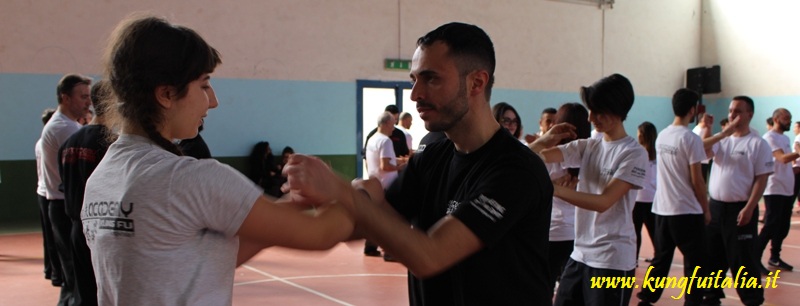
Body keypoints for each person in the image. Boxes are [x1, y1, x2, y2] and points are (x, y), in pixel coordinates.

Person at [81, 15, 353, 305]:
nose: (213, 100)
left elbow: (191, 260)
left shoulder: (101, 178)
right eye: (204, 85)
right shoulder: (189, 178)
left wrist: (286, 211)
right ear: (166, 94)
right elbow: (320, 233)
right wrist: (359, 196)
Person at [283, 22, 553, 305]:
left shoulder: (517, 170)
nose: (415, 94)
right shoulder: (431, 158)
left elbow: (429, 255)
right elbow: (371, 223)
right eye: (414, 79)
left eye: (431, 79)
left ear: (476, 82)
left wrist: (345, 193)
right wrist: (325, 201)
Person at [531, 73, 648, 306]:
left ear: (617, 109)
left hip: (612, 260)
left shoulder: (633, 153)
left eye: (598, 111)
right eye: (590, 110)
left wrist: (550, 188)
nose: (591, 117)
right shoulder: (590, 145)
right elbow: (532, 158)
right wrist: (546, 139)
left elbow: (603, 202)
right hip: (580, 254)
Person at [635, 88, 716, 306]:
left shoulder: (663, 136)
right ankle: (693, 302)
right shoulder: (690, 139)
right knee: (696, 263)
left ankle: (646, 299)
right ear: (693, 110)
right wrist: (706, 209)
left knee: (661, 258)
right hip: (686, 210)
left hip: (662, 209)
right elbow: (697, 180)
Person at [702, 96, 771, 306]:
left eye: (738, 111)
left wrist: (750, 207)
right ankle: (711, 297)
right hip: (716, 208)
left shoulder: (758, 144)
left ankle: (752, 300)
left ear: (749, 114)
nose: (732, 114)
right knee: (713, 256)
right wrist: (708, 128)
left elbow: (761, 179)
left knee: (743, 260)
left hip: (740, 209)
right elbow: (701, 151)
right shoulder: (722, 140)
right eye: (731, 110)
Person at [58, 80, 113, 306]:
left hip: (75, 229)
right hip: (99, 233)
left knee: (83, 293)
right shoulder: (111, 145)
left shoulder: (69, 143)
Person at [41, 73, 93, 305]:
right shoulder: (66, 129)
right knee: (76, 276)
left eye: (88, 96)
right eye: (82, 97)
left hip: (61, 204)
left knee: (73, 275)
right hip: (65, 206)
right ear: (65, 98)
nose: (87, 102)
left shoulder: (67, 126)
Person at [544, 102, 590, 298]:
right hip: (578, 235)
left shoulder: (548, 155)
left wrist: (551, 187)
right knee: (572, 294)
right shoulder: (589, 154)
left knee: (544, 289)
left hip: (553, 233)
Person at [758, 108, 798, 273]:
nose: (789, 121)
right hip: (774, 187)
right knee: (771, 224)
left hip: (786, 187)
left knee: (782, 226)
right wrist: (798, 153)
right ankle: (755, 256)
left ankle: (774, 257)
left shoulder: (785, 138)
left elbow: (788, 161)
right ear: (776, 119)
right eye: (786, 118)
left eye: (789, 118)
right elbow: (781, 158)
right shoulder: (769, 137)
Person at [363, 111, 407, 258]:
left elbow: (379, 162)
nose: (393, 128)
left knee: (375, 218)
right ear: (387, 123)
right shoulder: (386, 141)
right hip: (387, 185)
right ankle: (389, 251)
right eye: (393, 124)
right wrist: (400, 167)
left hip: (375, 184)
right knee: (391, 219)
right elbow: (385, 165)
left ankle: (370, 245)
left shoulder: (372, 139)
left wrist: (397, 161)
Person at [35, 108, 61, 287]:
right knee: (54, 237)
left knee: (49, 236)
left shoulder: (40, 142)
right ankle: (55, 272)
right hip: (49, 192)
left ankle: (50, 269)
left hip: (43, 191)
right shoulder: (47, 141)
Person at [632, 121, 657, 262]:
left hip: (639, 198)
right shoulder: (656, 153)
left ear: (642, 135)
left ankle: (633, 259)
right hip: (651, 198)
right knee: (653, 230)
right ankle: (657, 255)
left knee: (635, 231)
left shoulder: (639, 153)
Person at [693, 112, 713, 182]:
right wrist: (708, 127)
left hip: (705, 160)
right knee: (700, 182)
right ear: (702, 120)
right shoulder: (698, 130)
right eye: (706, 119)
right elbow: (704, 144)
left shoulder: (704, 128)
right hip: (700, 161)